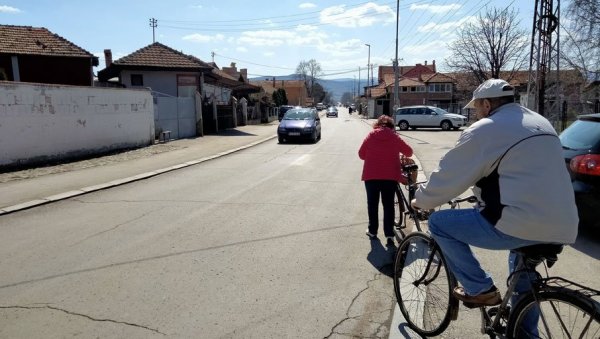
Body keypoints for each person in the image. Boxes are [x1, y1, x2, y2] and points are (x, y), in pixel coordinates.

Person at [411, 79, 578, 313]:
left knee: (439, 223)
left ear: (487, 104)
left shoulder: (486, 128)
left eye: (476, 108)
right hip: (564, 224)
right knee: (523, 282)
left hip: (520, 222)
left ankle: (480, 289)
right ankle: (524, 331)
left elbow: (449, 176)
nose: (475, 114)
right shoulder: (541, 122)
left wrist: (421, 200)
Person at [359, 115, 413, 245]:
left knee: (372, 205)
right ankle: (389, 234)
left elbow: (361, 154)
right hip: (390, 177)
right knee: (388, 205)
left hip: (371, 176)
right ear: (391, 126)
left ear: (377, 124)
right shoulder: (394, 137)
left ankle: (372, 231)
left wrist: (373, 155)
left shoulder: (371, 135)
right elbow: (409, 152)